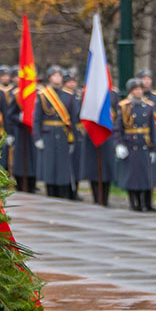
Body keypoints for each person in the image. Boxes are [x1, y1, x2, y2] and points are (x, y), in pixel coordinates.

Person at [34, 65, 75, 198]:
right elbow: (37, 119)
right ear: (50, 78)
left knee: (63, 167)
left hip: (63, 134)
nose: (57, 78)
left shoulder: (68, 96)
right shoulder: (43, 95)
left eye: (59, 76)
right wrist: (37, 137)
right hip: (48, 134)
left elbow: (73, 119)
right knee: (49, 166)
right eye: (55, 76)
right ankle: (50, 193)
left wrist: (72, 138)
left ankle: (62, 195)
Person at [115, 79, 156, 211]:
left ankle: (146, 203)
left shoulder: (149, 106)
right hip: (130, 143)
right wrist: (119, 144)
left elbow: (152, 128)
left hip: (144, 143)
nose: (138, 92)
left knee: (145, 176)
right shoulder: (123, 106)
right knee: (132, 176)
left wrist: (154, 147)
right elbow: (118, 127)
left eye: (140, 89)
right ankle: (134, 203)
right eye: (135, 90)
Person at [80, 85, 117, 206]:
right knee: (93, 169)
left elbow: (117, 115)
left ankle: (105, 199)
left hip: (107, 134)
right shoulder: (87, 94)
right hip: (92, 134)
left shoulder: (113, 94)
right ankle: (96, 198)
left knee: (107, 168)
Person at [139, 68, 156, 189]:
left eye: (148, 79)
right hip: (139, 138)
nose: (146, 82)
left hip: (154, 138)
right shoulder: (135, 98)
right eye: (144, 79)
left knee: (152, 172)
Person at [61, 70, 82, 199]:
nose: (72, 84)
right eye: (69, 82)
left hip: (78, 132)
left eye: (73, 82)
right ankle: (68, 190)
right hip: (68, 132)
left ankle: (76, 190)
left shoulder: (78, 95)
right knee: (67, 164)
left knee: (77, 164)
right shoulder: (62, 96)